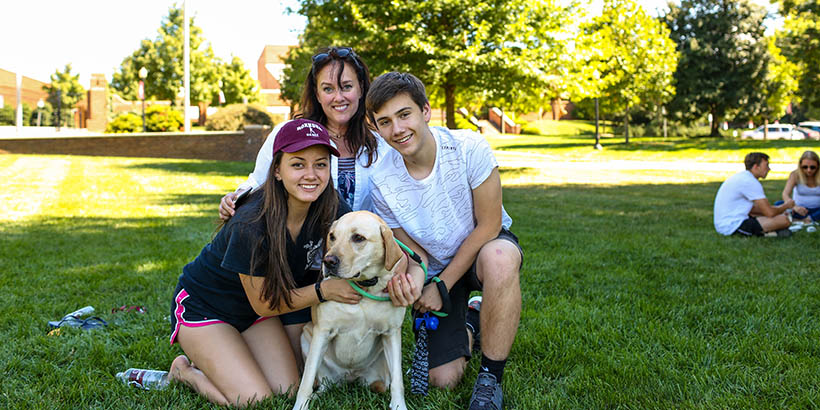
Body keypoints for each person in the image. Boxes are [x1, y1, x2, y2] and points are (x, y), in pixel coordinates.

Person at [167, 119, 402, 406]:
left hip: (254, 317)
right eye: (298, 164)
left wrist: (401, 277)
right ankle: (184, 372)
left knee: (289, 390)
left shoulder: (331, 205)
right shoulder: (250, 224)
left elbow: (369, 244)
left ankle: (232, 355)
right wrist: (323, 292)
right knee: (254, 399)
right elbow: (265, 304)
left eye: (320, 164)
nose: (311, 174)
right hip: (207, 308)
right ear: (277, 170)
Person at [365, 72, 522, 410]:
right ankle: (471, 319)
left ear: (425, 111)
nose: (397, 129)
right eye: (385, 122)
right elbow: (411, 250)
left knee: (501, 258)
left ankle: (490, 377)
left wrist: (443, 285)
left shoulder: (469, 147)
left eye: (404, 114)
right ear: (376, 128)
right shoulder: (380, 180)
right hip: (434, 266)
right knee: (441, 379)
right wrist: (417, 278)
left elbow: (489, 224)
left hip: (482, 247)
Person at [219, 46, 388, 219]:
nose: (338, 97)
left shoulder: (383, 144)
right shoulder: (288, 134)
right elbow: (257, 182)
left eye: (346, 87)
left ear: (360, 88)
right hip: (303, 243)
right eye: (328, 89)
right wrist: (234, 199)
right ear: (317, 94)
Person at [713, 152, 794, 237]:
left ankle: (771, 232)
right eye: (766, 165)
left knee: (777, 218)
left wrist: (778, 211)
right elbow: (769, 213)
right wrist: (786, 206)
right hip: (733, 226)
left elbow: (753, 210)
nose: (769, 169)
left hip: (724, 225)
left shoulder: (743, 177)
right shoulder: (750, 182)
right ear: (756, 167)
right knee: (784, 220)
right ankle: (766, 234)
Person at [779, 150, 820, 225]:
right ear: (800, 165)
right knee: (779, 204)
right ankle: (805, 219)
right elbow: (785, 194)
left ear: (818, 166)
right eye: (805, 167)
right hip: (799, 209)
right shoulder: (795, 175)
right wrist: (794, 207)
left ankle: (809, 218)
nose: (809, 170)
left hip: (818, 209)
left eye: (812, 167)